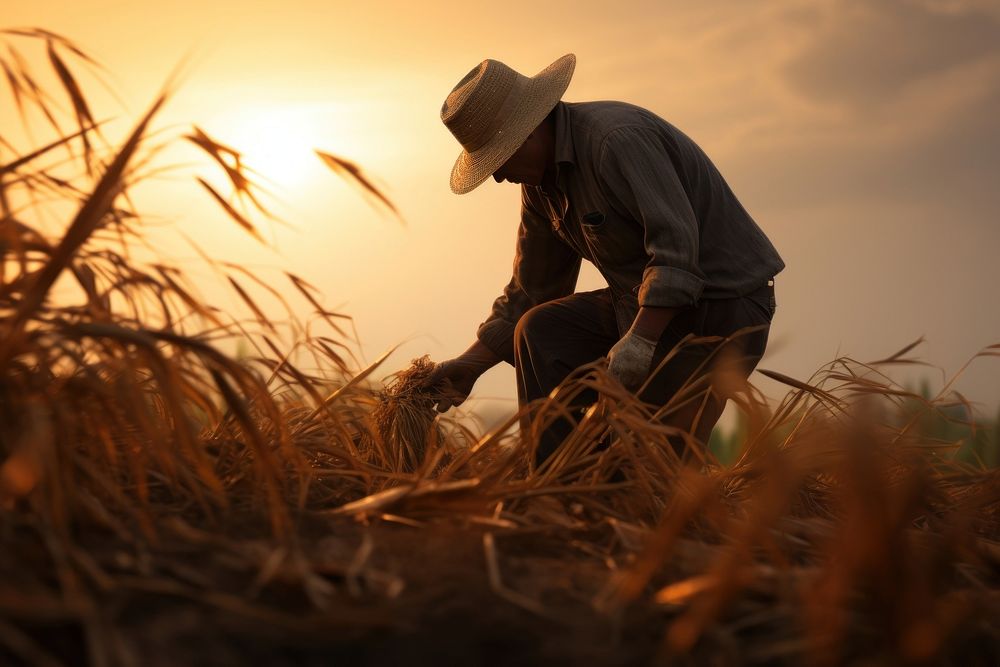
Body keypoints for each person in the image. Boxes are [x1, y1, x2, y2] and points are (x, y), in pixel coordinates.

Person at [424, 54, 785, 465]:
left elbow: (678, 253)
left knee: (640, 456)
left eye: (499, 159)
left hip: (720, 309)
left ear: (529, 132)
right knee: (541, 329)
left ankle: (635, 492)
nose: (498, 177)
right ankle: (556, 490)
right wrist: (471, 365)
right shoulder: (542, 187)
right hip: (635, 306)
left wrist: (641, 340)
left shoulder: (616, 140)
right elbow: (532, 289)